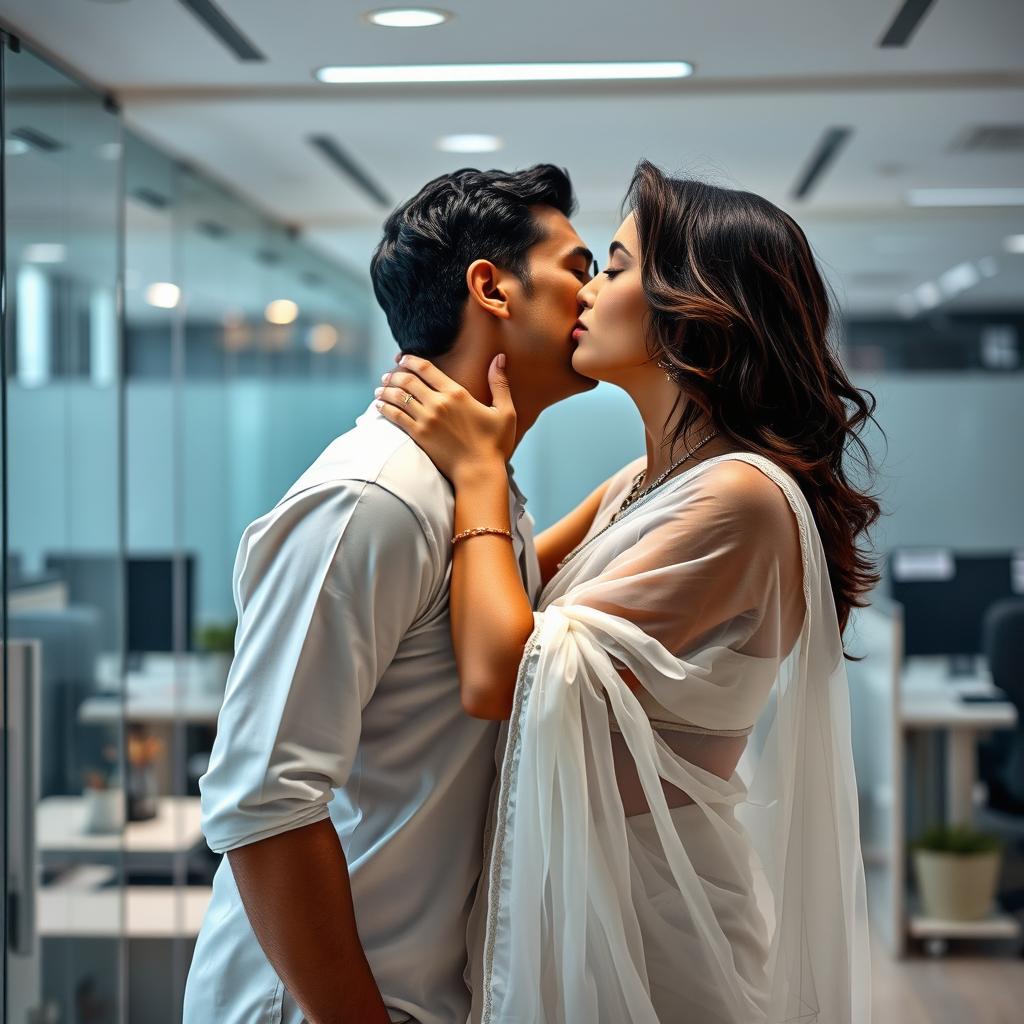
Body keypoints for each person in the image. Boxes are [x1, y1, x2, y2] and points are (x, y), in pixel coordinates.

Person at [376, 159, 878, 1023]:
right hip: (597, 892)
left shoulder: (742, 496)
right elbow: (509, 579)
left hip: (654, 921)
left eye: (612, 266)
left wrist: (479, 466)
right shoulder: (644, 481)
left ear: (692, 305)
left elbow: (500, 671)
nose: (587, 293)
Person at [182, 164, 597, 1024]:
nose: (594, 297)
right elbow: (262, 803)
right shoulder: (374, 495)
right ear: (492, 288)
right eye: (579, 269)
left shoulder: (471, 489)